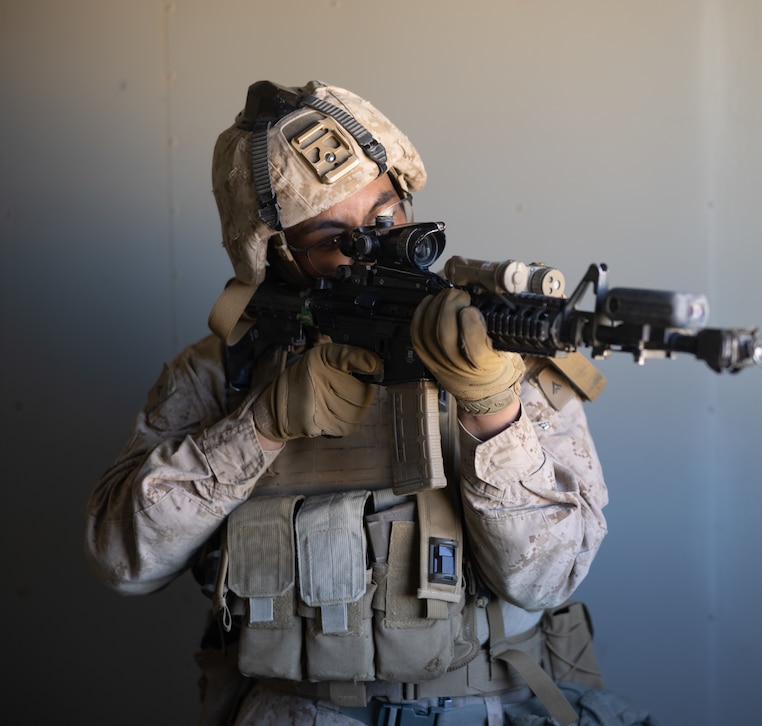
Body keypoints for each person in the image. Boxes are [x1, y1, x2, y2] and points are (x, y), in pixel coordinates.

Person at [85, 80, 657, 726]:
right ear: (275, 256)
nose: (375, 245)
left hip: (491, 708)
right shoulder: (226, 371)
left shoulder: (500, 355)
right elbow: (120, 558)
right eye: (335, 238)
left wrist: (494, 412)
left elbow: (547, 581)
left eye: (386, 219)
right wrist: (261, 427)